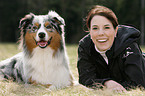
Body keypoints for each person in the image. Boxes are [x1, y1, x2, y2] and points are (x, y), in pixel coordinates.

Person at [77, 5, 145, 92]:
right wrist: (106, 83)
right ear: (89, 31)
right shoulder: (85, 46)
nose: (100, 33)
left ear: (115, 30)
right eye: (95, 28)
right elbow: (85, 78)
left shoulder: (129, 44)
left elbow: (137, 84)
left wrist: (113, 87)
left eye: (106, 27)